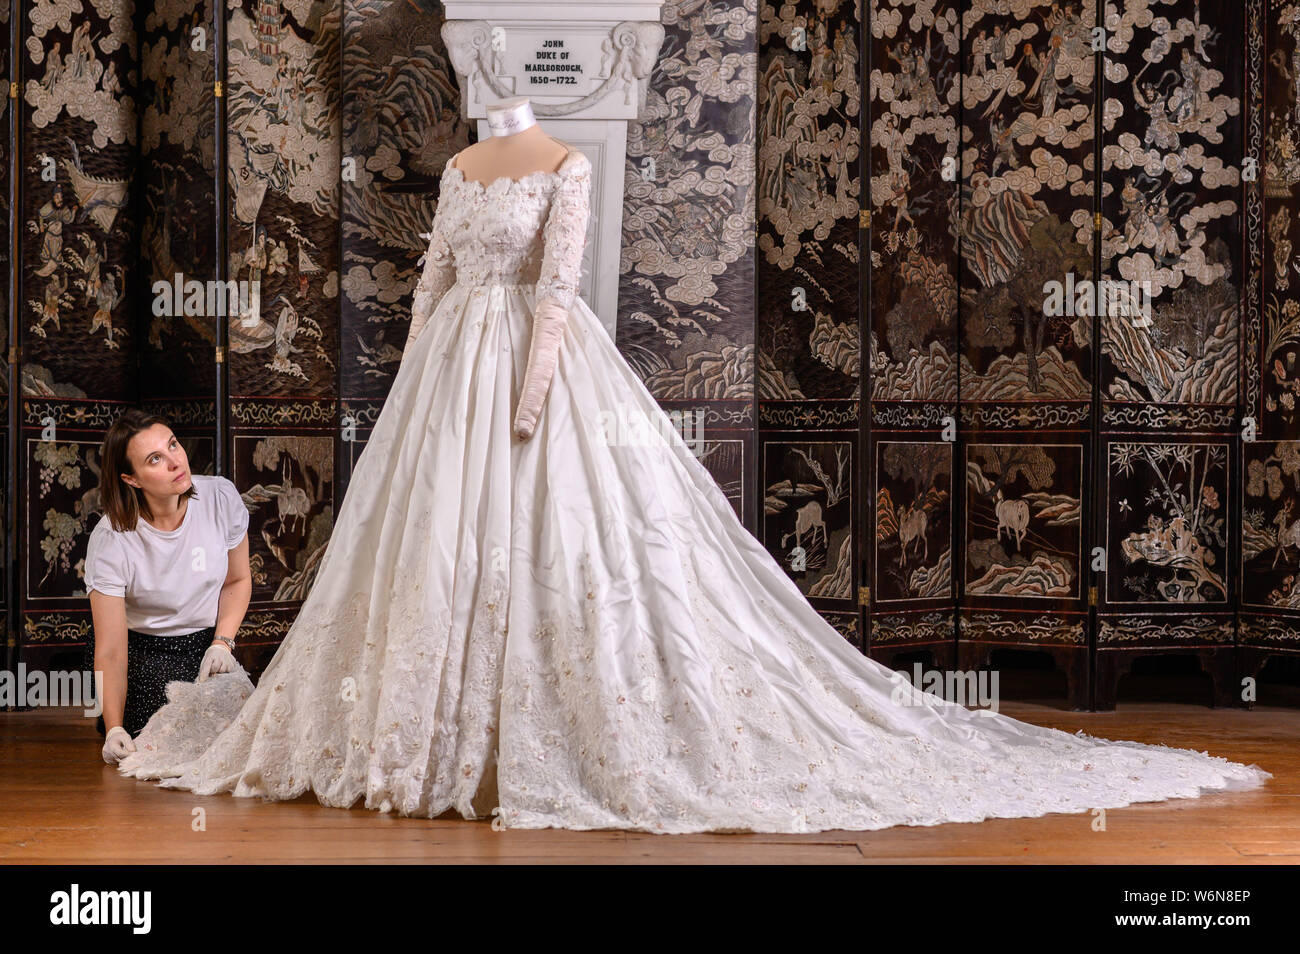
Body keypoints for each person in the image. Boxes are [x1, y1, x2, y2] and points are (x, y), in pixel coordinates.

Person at [118, 108, 1269, 834]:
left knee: (576, 550)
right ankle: (408, 741)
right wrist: (419, 385)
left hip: (535, 367)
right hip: (445, 383)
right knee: (428, 552)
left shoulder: (563, 161)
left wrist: (527, 398)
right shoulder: (464, 166)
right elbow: (426, 287)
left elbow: (561, 289)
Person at [83, 409, 251, 763]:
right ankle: (111, 715)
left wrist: (223, 643)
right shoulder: (112, 538)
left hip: (209, 641)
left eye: (173, 445)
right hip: (141, 650)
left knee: (240, 729)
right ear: (131, 479)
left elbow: (237, 579)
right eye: (155, 459)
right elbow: (112, 650)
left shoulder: (220, 497)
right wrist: (114, 728)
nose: (176, 462)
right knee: (167, 738)